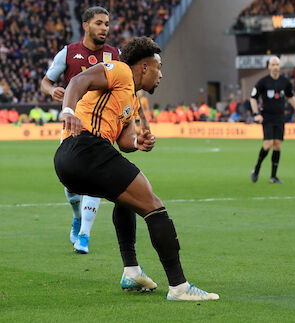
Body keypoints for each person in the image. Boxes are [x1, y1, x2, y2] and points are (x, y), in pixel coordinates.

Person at [54, 36, 219, 301]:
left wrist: (138, 143)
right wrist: (67, 112)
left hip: (71, 159)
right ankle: (179, 287)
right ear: (144, 66)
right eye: (159, 67)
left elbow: (124, 143)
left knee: (126, 199)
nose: (161, 75)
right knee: (153, 205)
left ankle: (131, 271)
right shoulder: (119, 70)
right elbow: (77, 81)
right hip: (85, 147)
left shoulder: (131, 98)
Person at [41, 7, 150, 254]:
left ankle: (84, 235)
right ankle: (77, 216)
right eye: (99, 23)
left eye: (107, 24)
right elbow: (46, 81)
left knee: (95, 175)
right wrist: (51, 91)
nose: (104, 28)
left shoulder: (116, 55)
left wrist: (135, 120)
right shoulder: (68, 53)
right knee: (71, 187)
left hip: (103, 126)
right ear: (86, 25)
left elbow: (129, 88)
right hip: (73, 124)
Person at [250, 56, 295, 184]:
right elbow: (253, 98)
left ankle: (273, 176)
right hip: (267, 116)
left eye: (277, 64)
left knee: (278, 145)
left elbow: (291, 97)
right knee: (268, 145)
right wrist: (256, 113)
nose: (275, 67)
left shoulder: (285, 82)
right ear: (269, 66)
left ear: (280, 66)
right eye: (273, 64)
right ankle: (257, 168)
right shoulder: (263, 82)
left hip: (280, 116)